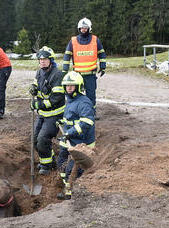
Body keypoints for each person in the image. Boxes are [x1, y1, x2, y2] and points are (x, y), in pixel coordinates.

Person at [56, 71, 95, 200]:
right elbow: (72, 118)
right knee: (61, 162)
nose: (69, 88)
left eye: (72, 86)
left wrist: (70, 133)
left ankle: (70, 192)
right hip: (69, 139)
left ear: (78, 87)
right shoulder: (70, 100)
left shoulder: (83, 102)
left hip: (81, 143)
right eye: (67, 86)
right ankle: (65, 184)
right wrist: (63, 122)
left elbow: (87, 122)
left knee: (72, 170)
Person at [29, 46, 65, 175]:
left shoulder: (57, 75)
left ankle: (47, 166)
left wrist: (38, 105)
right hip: (43, 114)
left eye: (45, 59)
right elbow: (36, 83)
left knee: (43, 139)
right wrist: (33, 88)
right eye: (40, 59)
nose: (42, 61)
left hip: (55, 115)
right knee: (35, 140)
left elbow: (56, 98)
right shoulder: (40, 72)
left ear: (51, 60)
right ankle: (49, 161)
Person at [62, 18, 106, 119]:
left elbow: (102, 53)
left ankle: (91, 114)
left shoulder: (95, 40)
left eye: (85, 28)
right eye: (82, 28)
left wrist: (103, 67)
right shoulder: (73, 41)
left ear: (89, 28)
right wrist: (64, 70)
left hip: (90, 75)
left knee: (91, 96)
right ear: (79, 28)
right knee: (75, 95)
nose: (83, 29)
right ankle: (75, 113)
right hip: (77, 76)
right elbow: (67, 55)